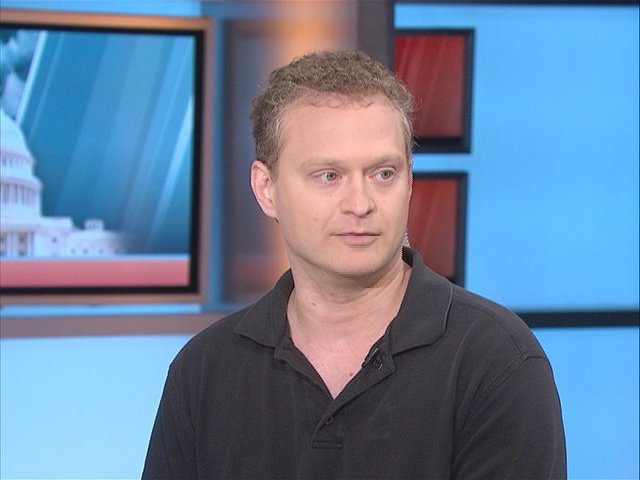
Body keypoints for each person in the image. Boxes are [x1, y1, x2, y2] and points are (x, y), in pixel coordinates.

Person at [142, 50, 566, 479]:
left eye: (383, 174)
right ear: (266, 188)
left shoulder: (497, 362)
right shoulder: (205, 369)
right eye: (329, 176)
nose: (361, 204)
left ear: (409, 181)